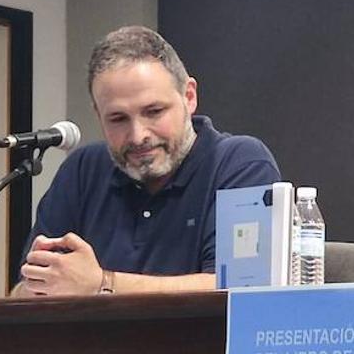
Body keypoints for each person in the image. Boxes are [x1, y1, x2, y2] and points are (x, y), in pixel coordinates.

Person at [14, 26, 280, 295]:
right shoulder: (82, 170)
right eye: (118, 119)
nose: (138, 135)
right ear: (98, 115)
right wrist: (38, 288)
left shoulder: (240, 163)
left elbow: (239, 287)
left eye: (153, 112)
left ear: (189, 96)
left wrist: (102, 283)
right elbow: (22, 291)